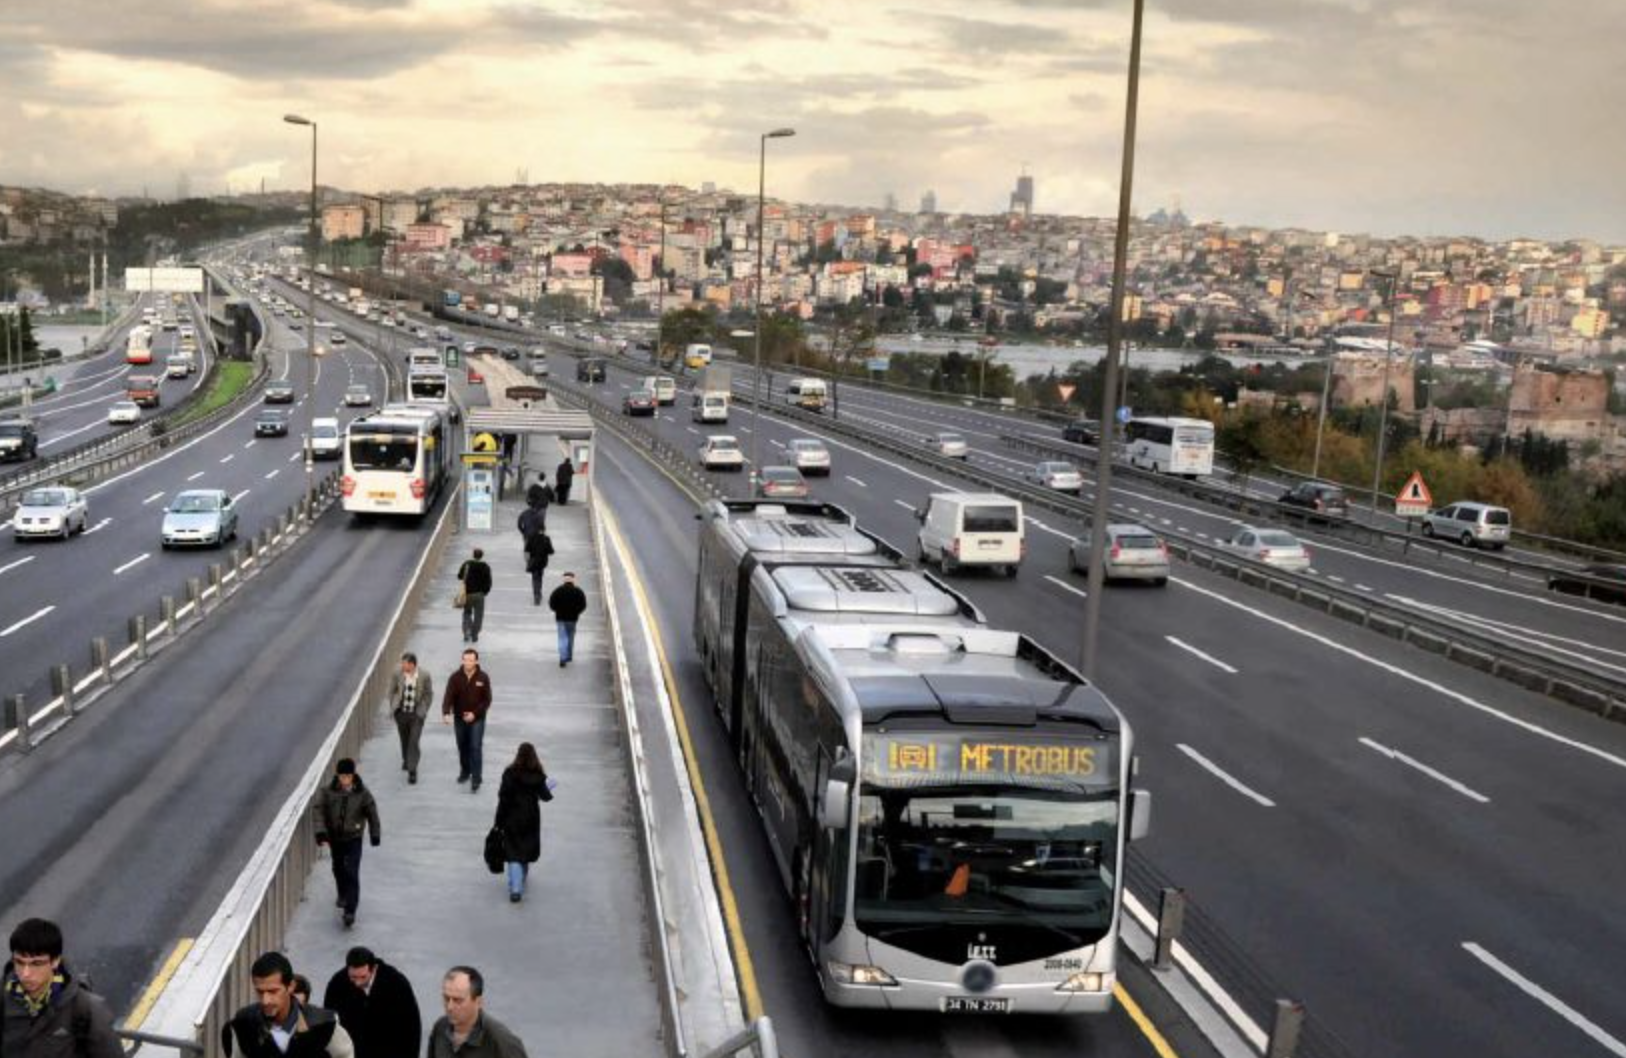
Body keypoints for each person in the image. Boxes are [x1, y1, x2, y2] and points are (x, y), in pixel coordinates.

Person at [2, 918, 123, 1058]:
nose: (25, 973)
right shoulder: (3, 1000)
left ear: (55, 961)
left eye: (36, 964)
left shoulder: (86, 1009)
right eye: (19, 962)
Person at [223, 952, 353, 1058]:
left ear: (290, 986)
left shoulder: (325, 1024)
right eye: (260, 991)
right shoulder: (243, 1025)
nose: (265, 1000)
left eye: (273, 991)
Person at [313, 758, 381, 929]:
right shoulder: (328, 791)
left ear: (353, 776)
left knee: (351, 871)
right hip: (335, 838)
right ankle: (342, 893)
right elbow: (318, 810)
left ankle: (350, 911)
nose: (345, 780)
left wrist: (375, 834)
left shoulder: (362, 793)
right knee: (338, 868)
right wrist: (321, 832)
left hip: (354, 838)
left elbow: (372, 813)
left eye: (348, 776)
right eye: (342, 777)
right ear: (338, 776)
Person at [320, 948, 420, 1058]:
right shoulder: (337, 984)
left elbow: (411, 1027)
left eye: (363, 977)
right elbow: (329, 1025)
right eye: (353, 977)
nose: (357, 983)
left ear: (374, 969)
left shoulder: (397, 983)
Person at [493, 743, 554, 903]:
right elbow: (546, 797)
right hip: (531, 817)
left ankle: (515, 888)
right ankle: (521, 878)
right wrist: (549, 785)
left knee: (513, 852)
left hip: (512, 816)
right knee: (525, 849)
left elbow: (503, 798)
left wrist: (498, 820)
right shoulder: (538, 775)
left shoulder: (509, 773)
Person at [425, 968, 526, 1058]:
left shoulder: (503, 1042)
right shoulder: (440, 1028)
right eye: (446, 998)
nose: (450, 1007)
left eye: (458, 1000)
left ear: (478, 1002)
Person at [442, 648, 492, 792]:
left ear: (476, 661)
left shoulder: (483, 677)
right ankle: (465, 771)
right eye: (465, 659)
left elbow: (487, 700)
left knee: (475, 747)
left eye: (471, 660)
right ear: (462, 660)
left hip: (477, 719)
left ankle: (476, 778)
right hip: (459, 718)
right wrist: (446, 712)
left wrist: (474, 714)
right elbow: (448, 696)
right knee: (462, 746)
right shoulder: (455, 677)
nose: (468, 662)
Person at [389, 652, 433, 784]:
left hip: (416, 714)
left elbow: (428, 694)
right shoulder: (397, 673)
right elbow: (391, 691)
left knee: (414, 740)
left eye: (405, 663)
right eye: (402, 663)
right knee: (405, 739)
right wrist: (394, 707)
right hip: (401, 713)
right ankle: (406, 759)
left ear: (412, 664)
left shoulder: (424, 675)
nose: (402, 665)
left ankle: (412, 771)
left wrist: (423, 710)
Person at [547, 572, 588, 668]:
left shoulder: (557, 591)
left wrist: (556, 610)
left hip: (560, 618)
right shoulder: (578, 592)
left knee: (562, 638)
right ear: (573, 580)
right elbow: (583, 605)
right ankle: (569, 656)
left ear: (564, 580)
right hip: (573, 619)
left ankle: (562, 658)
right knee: (570, 637)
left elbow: (551, 604)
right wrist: (577, 612)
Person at [457, 549, 493, 644]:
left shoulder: (467, 564)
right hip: (479, 595)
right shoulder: (485, 567)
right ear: (482, 556)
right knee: (479, 615)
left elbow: (459, 576)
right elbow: (489, 582)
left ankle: (466, 631)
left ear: (473, 555)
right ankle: (475, 634)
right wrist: (485, 592)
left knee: (467, 613)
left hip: (468, 594)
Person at [523, 530, 554, 607]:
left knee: (535, 578)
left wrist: (527, 561)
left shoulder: (531, 538)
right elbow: (551, 551)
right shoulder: (546, 538)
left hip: (533, 562)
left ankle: (536, 595)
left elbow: (527, 550)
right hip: (542, 563)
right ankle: (538, 593)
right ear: (543, 530)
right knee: (539, 577)